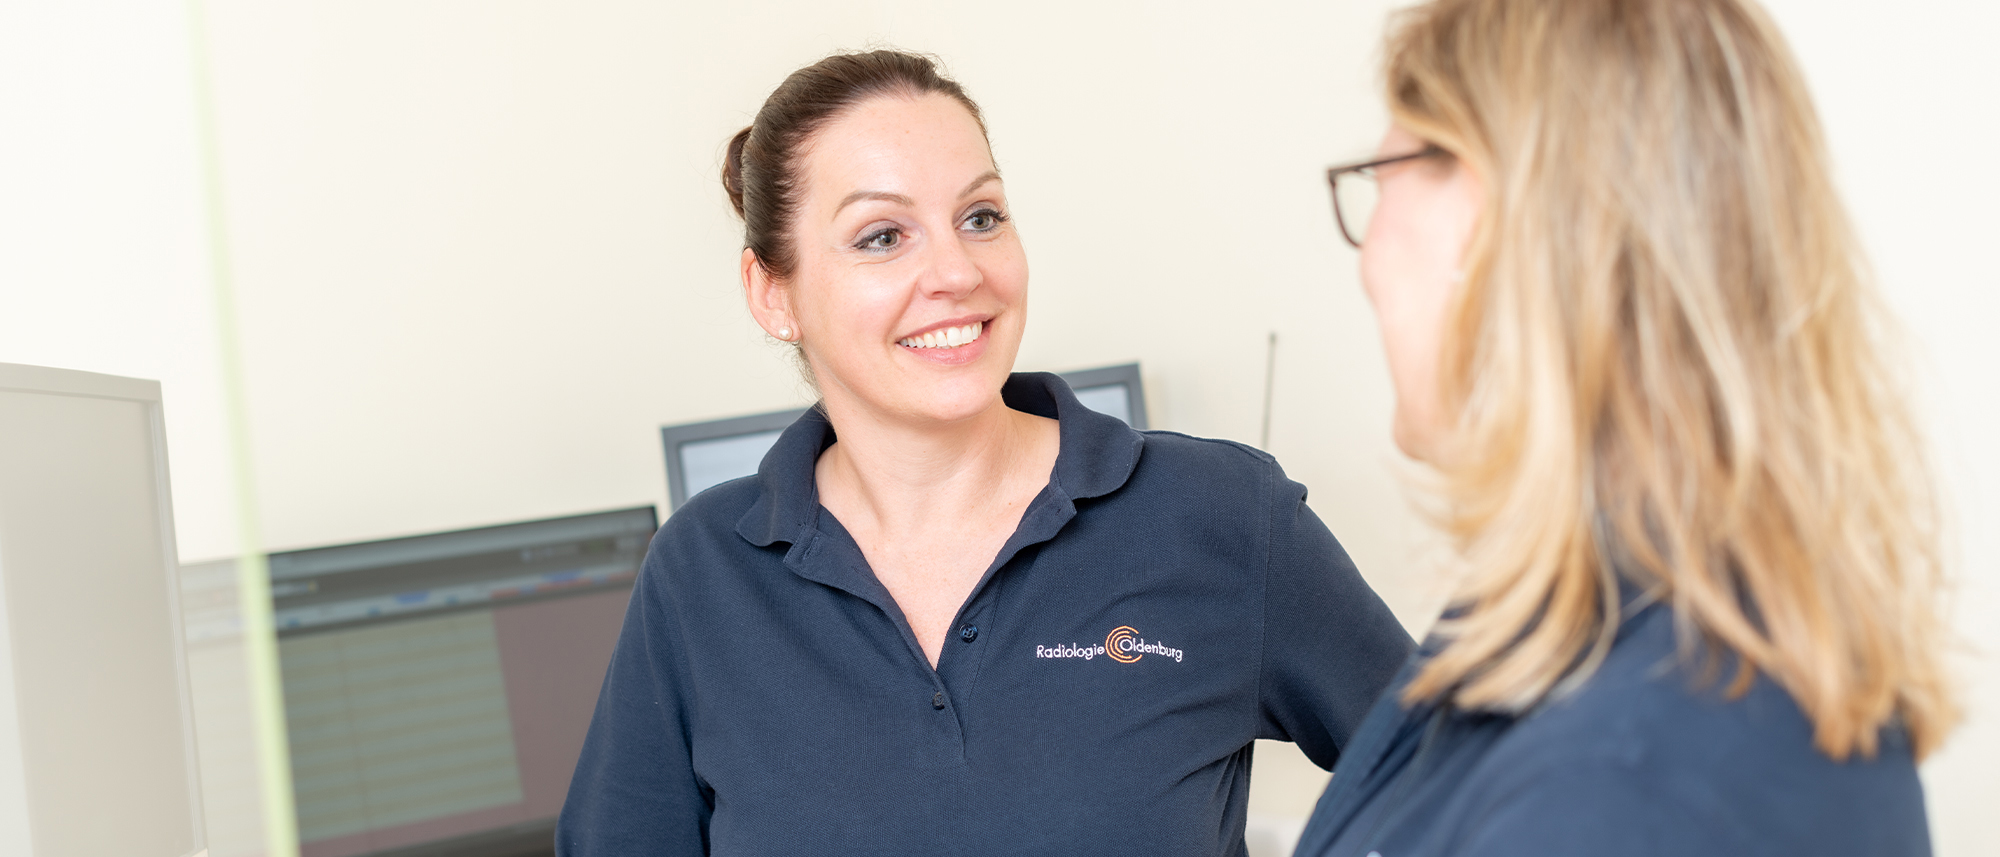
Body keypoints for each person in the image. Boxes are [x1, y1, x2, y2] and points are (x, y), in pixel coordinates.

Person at [555, 50, 1412, 856]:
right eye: (882, 236)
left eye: (981, 217)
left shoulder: (1219, 515)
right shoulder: (702, 574)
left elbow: (1483, 784)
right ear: (773, 293)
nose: (957, 270)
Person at [1292, 1, 1958, 855]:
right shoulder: (1596, 635)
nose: (1370, 252)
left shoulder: (1634, 775)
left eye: (1381, 176)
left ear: (1509, 218)